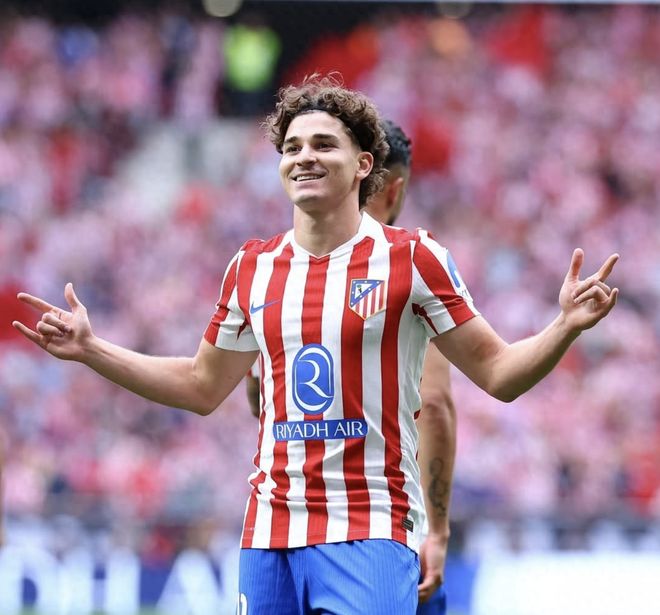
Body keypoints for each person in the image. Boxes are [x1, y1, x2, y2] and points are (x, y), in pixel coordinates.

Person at [13, 75, 619, 614]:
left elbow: (498, 374)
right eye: (292, 147)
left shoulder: (413, 258)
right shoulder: (251, 267)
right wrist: (93, 349)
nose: (304, 157)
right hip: (268, 535)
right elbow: (201, 385)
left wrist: (564, 326)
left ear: (363, 165)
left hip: (370, 528)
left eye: (324, 144)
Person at [244, 120, 452, 613]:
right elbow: (435, 404)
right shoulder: (405, 265)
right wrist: (438, 529)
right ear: (395, 188)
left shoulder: (279, 273)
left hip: (286, 524)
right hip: (380, 530)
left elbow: (258, 398)